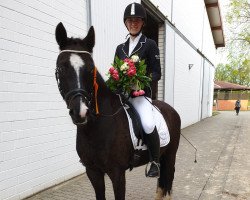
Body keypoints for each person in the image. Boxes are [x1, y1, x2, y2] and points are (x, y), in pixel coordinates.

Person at [114, 2, 161, 177]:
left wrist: (141, 82)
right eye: (130, 20)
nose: (134, 23)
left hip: (140, 96)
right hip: (122, 96)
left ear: (142, 22)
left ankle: (155, 161)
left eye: (137, 20)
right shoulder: (120, 48)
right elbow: (116, 71)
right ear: (126, 22)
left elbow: (157, 72)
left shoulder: (150, 44)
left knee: (148, 123)